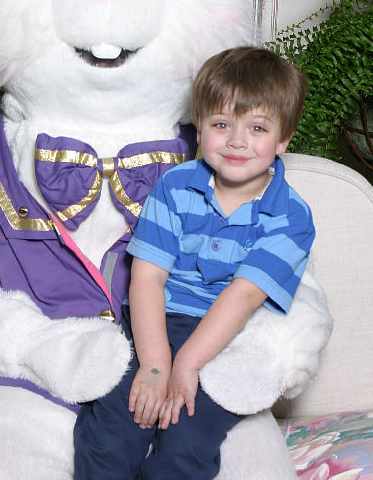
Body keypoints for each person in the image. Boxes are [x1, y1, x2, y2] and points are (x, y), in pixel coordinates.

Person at [74, 46, 315, 479]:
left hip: (225, 336)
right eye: (221, 124)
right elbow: (146, 278)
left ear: (283, 139)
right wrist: (155, 364)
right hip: (151, 321)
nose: (237, 140)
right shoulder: (175, 186)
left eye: (257, 128)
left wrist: (186, 365)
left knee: (185, 440)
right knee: (114, 428)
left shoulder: (291, 216)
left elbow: (242, 297)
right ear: (199, 129)